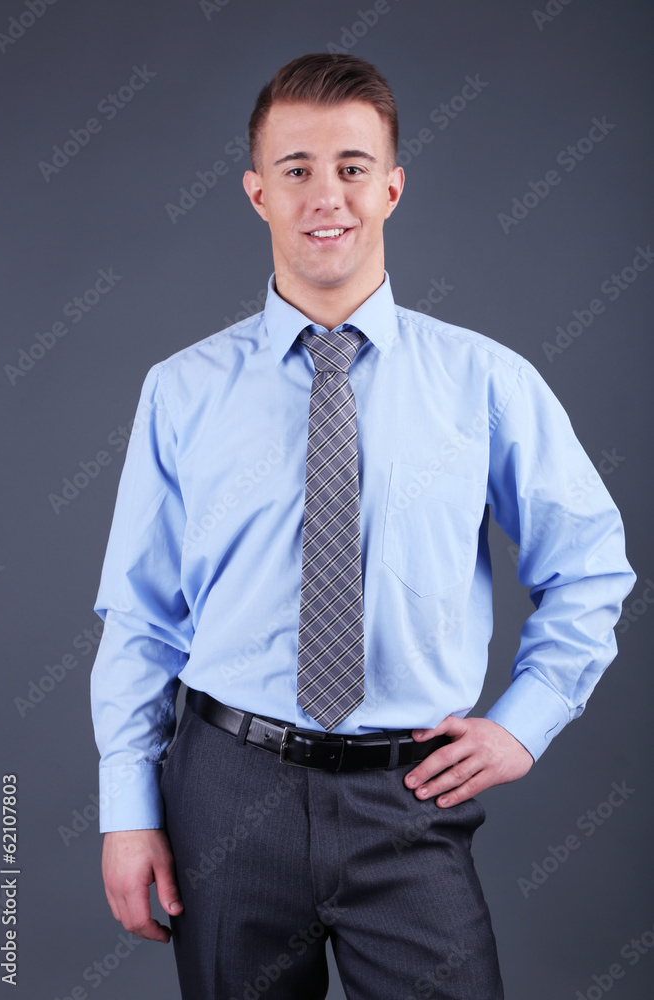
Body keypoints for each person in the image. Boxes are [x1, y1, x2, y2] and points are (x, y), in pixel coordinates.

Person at [90, 53, 635, 1000]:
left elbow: (589, 567)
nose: (324, 194)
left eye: (351, 165)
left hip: (408, 799)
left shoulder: (486, 384)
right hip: (225, 789)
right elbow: (141, 618)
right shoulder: (180, 391)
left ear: (391, 186)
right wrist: (125, 809)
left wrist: (525, 723)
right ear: (257, 193)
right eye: (296, 168)